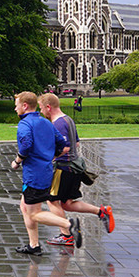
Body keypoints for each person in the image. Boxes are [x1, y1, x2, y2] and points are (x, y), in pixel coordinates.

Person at [39, 92, 115, 246]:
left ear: (48, 107)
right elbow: (77, 144)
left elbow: (65, 147)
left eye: (41, 108)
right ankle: (101, 211)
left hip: (63, 168)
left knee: (52, 201)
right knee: (66, 203)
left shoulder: (58, 124)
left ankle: (66, 235)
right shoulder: (68, 120)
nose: (41, 112)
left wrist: (48, 158)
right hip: (75, 167)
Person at [10, 91, 80, 255]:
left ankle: (69, 225)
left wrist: (17, 161)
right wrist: (50, 156)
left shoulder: (25, 124)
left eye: (16, 105)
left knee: (34, 214)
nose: (15, 108)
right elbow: (62, 143)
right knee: (24, 206)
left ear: (24, 106)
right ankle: (34, 246)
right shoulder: (46, 122)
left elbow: (26, 145)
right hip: (46, 171)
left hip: (34, 175)